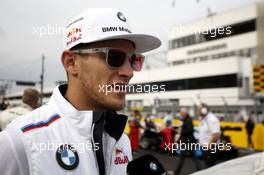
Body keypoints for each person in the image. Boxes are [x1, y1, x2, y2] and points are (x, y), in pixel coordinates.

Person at [0, 8, 161, 175]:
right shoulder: (21, 141)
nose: (129, 72)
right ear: (71, 63)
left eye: (133, 59)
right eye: (115, 57)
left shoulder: (121, 141)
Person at [174, 108, 202, 175]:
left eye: (181, 112)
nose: (180, 113)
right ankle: (200, 170)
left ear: (185, 113)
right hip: (187, 142)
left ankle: (176, 172)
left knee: (182, 159)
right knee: (193, 157)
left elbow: (190, 130)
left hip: (187, 142)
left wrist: (180, 131)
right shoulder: (184, 119)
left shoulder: (188, 120)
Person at [197, 103, 221, 168]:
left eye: (199, 109)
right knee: (208, 168)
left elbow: (215, 136)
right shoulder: (204, 119)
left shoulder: (212, 119)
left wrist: (208, 148)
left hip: (210, 148)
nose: (197, 111)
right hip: (206, 148)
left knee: (209, 168)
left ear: (204, 110)